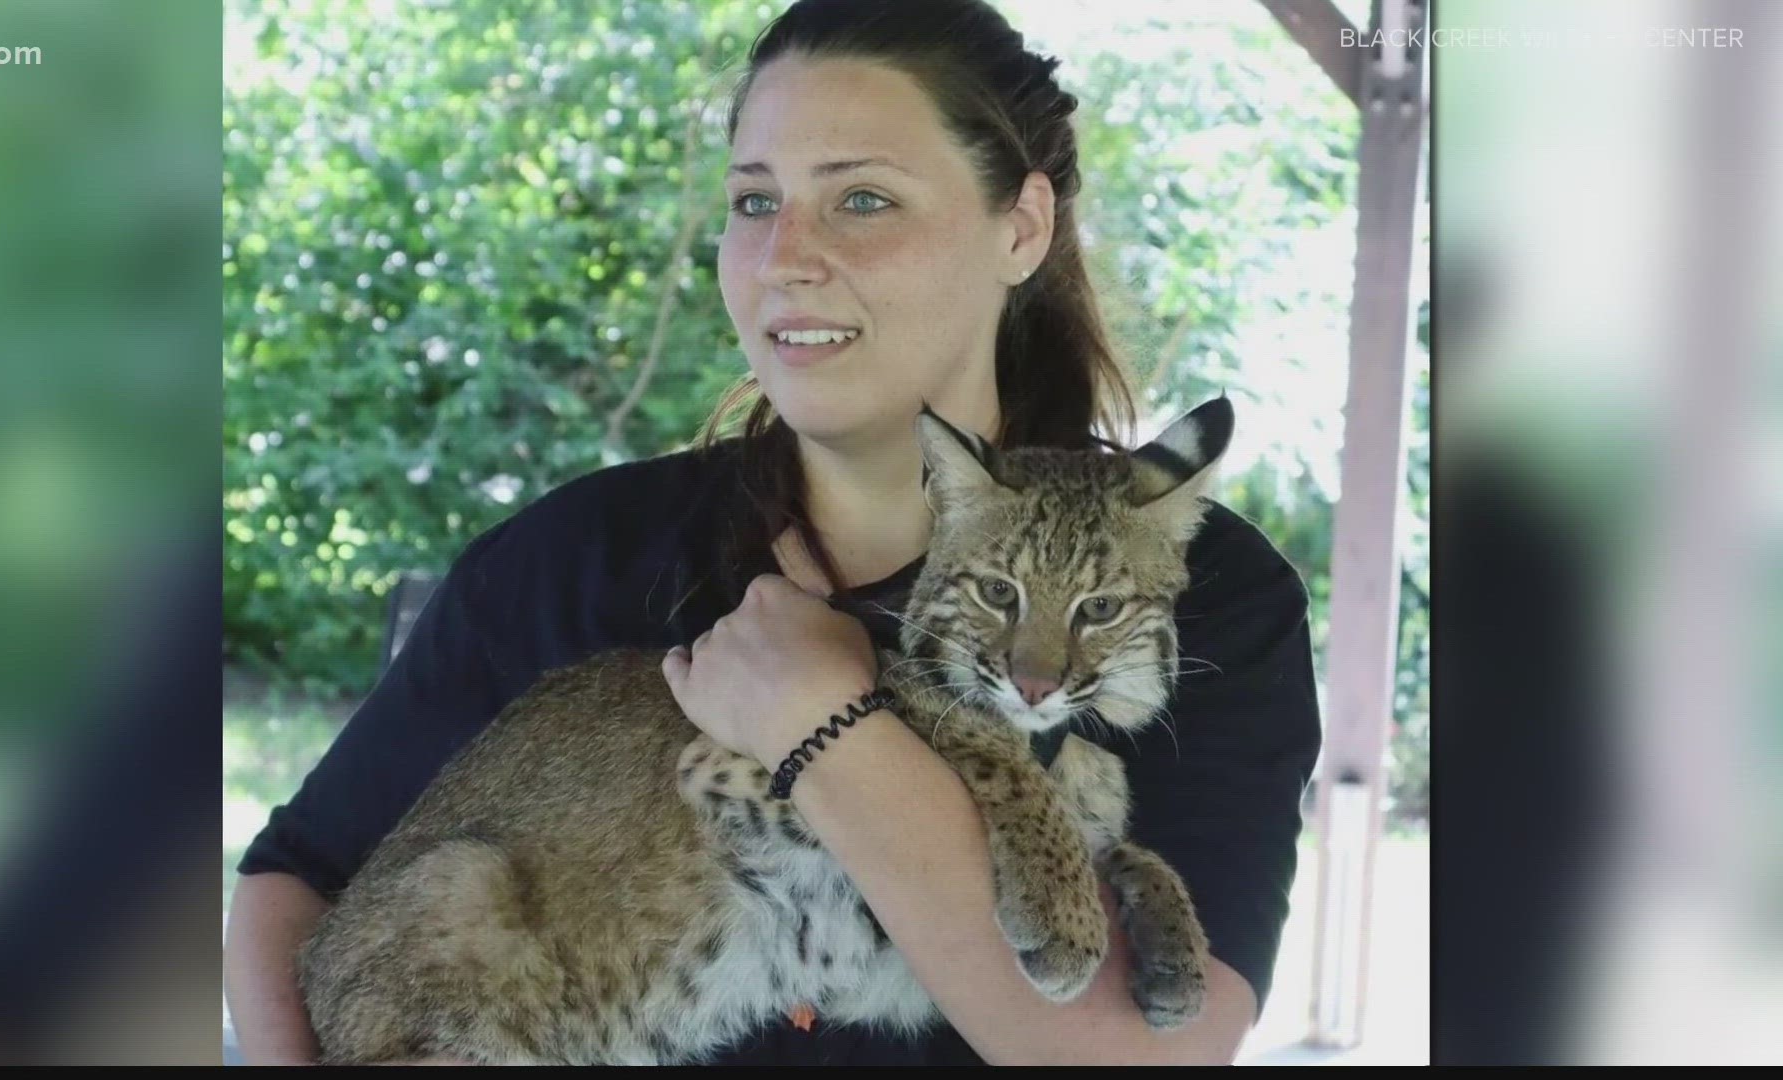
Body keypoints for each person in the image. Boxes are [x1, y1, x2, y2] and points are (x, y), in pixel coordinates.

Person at [224, 0, 1321, 1065]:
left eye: (862, 200)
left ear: (1022, 227)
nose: (787, 255)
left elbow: (1140, 1058)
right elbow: (298, 877)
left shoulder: (1198, 588)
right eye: (755, 203)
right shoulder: (577, 559)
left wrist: (823, 728)